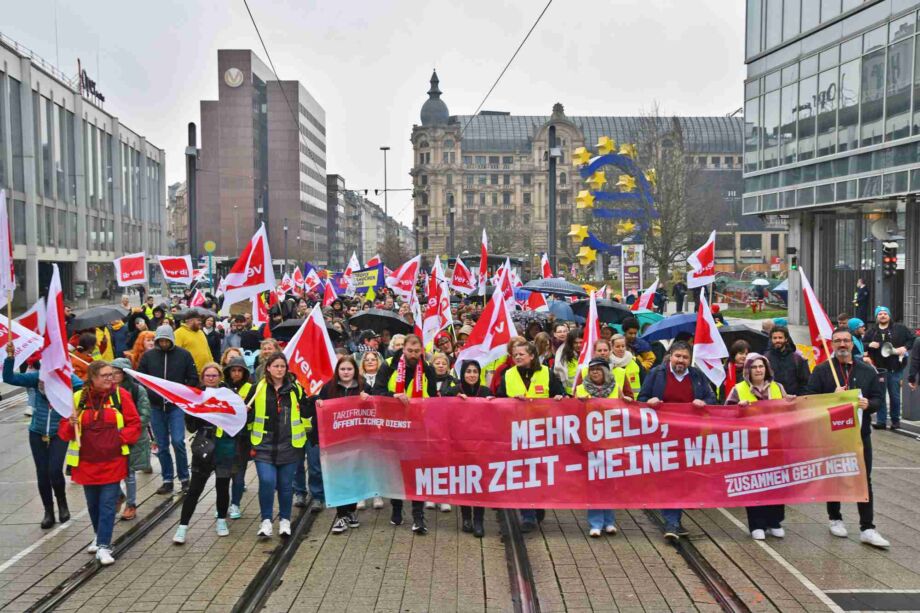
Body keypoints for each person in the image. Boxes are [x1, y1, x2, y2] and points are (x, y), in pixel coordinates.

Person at [805, 327, 889, 548]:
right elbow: (810, 397)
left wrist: (868, 404)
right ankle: (835, 518)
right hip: (832, 435)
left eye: (845, 341)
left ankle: (867, 527)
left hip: (860, 436)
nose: (842, 345)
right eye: (837, 341)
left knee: (864, 479)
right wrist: (829, 398)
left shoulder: (867, 370)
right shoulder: (822, 370)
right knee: (834, 476)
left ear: (852, 344)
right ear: (831, 345)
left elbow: (878, 400)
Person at [58, 360, 141, 566]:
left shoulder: (121, 396)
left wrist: (119, 439)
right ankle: (99, 535)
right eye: (104, 375)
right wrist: (70, 424)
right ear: (92, 378)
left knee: (106, 504)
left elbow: (134, 424)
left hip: (113, 461)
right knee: (93, 505)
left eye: (111, 374)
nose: (109, 378)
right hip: (86, 462)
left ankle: (104, 545)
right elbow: (64, 433)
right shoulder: (77, 399)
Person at [637, 341, 717, 540]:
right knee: (669, 478)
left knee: (683, 478)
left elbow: (712, 399)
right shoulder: (656, 374)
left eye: (685, 358)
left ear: (690, 360)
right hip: (662, 438)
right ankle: (672, 521)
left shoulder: (697, 376)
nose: (681, 361)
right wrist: (649, 401)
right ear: (670, 356)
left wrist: (704, 402)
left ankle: (675, 520)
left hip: (689, 438)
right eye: (678, 356)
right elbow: (642, 397)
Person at [4, 343, 84, 528]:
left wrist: (76, 407)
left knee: (54, 470)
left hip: (59, 431)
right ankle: (48, 511)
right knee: (42, 473)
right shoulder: (35, 378)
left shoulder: (68, 379)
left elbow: (83, 390)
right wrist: (10, 358)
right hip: (37, 432)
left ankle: (62, 504)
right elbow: (9, 377)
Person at [496, 341, 566, 532]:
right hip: (517, 433)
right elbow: (499, 400)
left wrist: (559, 398)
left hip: (541, 432)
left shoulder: (546, 373)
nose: (517, 357)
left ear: (532, 356)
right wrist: (511, 401)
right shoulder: (508, 375)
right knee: (522, 475)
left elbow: (561, 394)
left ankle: (538, 506)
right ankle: (527, 515)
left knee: (539, 473)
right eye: (515, 354)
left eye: (521, 354)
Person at [173, 363, 246, 543]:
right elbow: (191, 426)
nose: (211, 378)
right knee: (195, 488)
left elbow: (237, 419)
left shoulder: (229, 395)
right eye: (208, 376)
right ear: (202, 378)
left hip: (224, 446)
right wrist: (196, 413)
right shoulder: (196, 396)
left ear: (220, 377)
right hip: (204, 445)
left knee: (222, 486)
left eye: (214, 375)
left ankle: (221, 521)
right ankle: (182, 527)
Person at [372, 334, 438, 534]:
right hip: (394, 426)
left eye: (417, 351)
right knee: (395, 469)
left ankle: (418, 516)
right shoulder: (389, 365)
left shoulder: (427, 369)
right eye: (410, 351)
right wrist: (394, 397)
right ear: (403, 350)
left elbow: (434, 397)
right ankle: (397, 508)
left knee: (417, 471)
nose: (413, 354)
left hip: (418, 427)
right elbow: (377, 392)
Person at [724, 353, 792, 540]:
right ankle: (756, 524)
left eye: (761, 366)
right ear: (748, 371)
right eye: (754, 367)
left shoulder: (778, 388)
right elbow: (726, 415)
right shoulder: (738, 390)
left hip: (775, 443)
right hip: (751, 444)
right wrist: (738, 408)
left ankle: (774, 521)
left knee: (777, 482)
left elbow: (789, 411)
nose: (758, 370)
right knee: (754, 483)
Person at [245, 352, 310, 538]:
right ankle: (266, 520)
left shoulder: (295, 388)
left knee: (285, 485)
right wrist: (245, 410)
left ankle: (285, 520)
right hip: (263, 445)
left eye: (283, 366)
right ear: (268, 368)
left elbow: (305, 411)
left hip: (289, 444)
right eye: (276, 366)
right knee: (267, 481)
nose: (280, 370)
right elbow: (246, 414)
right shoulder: (257, 388)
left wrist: (313, 401)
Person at [307, 356, 368, 534]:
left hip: (357, 441)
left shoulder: (363, 386)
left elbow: (373, 408)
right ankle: (340, 515)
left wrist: (368, 398)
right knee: (339, 477)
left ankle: (351, 511)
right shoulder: (329, 387)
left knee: (355, 476)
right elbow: (318, 404)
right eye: (343, 369)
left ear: (355, 371)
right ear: (337, 371)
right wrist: (317, 401)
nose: (346, 372)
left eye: (349, 369)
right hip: (336, 442)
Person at [137, 325, 199, 494]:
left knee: (178, 441)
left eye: (166, 340)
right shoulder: (148, 357)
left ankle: (185, 478)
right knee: (162, 445)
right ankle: (167, 479)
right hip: (156, 406)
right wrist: (150, 393)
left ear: (171, 339)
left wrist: (182, 392)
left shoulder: (183, 355)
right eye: (161, 340)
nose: (163, 343)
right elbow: (140, 378)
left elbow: (193, 377)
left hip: (175, 406)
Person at [575, 357, 626, 537]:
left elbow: (629, 410)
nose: (595, 372)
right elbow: (571, 414)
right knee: (594, 483)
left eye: (598, 369)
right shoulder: (580, 389)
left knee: (610, 482)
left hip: (612, 441)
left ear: (606, 371)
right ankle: (595, 523)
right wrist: (577, 404)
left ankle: (609, 521)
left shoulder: (616, 389)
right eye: (592, 369)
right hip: (590, 442)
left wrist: (627, 401)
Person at [445, 360, 492, 537]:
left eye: (475, 371)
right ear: (462, 374)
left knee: (479, 482)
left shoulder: (486, 392)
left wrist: (492, 403)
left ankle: (479, 520)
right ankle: (466, 517)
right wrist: (454, 401)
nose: (472, 375)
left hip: (481, 444)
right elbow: (441, 406)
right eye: (468, 371)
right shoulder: (454, 390)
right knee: (464, 480)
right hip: (460, 444)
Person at [109, 359, 152, 521]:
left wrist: (130, 429)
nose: (114, 376)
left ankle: (131, 504)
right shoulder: (107, 390)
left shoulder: (137, 390)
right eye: (111, 372)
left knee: (129, 473)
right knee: (112, 472)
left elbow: (145, 413)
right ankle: (119, 496)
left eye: (117, 372)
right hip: (112, 438)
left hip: (132, 437)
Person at [862, 306, 915, 430]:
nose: (883, 315)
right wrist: (869, 344)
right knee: (880, 395)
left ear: (889, 315)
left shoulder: (900, 328)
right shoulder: (872, 331)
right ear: (876, 317)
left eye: (885, 313)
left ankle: (895, 422)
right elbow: (861, 345)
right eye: (880, 314)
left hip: (895, 368)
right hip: (878, 370)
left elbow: (912, 339)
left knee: (894, 396)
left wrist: (905, 348)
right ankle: (881, 421)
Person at [223, 356, 252, 519]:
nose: (236, 374)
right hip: (225, 437)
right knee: (224, 473)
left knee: (239, 473)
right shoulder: (223, 389)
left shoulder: (250, 388)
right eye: (233, 370)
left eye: (239, 371)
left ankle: (235, 503)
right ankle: (224, 502)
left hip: (242, 438)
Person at [762, 326, 810, 397]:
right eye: (774, 338)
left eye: (780, 338)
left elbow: (806, 381)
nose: (777, 340)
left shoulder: (797, 358)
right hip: (773, 400)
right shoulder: (765, 359)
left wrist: (800, 397)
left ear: (786, 339)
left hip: (794, 400)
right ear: (771, 340)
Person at [609, 334, 641, 399]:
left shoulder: (634, 360)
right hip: (616, 402)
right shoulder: (608, 363)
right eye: (617, 346)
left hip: (636, 402)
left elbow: (644, 380)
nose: (621, 349)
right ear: (612, 347)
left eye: (623, 346)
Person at [553, 329, 583, 396]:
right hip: (569, 394)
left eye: (581, 342)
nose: (578, 345)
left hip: (585, 394)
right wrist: (563, 393)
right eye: (575, 343)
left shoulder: (588, 355)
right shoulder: (562, 355)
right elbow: (557, 377)